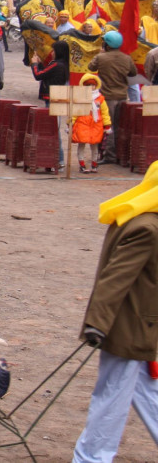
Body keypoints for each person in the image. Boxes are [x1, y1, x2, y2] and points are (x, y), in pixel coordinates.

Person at [72, 169, 158, 461]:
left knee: (148, 392)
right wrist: (97, 324)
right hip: (127, 329)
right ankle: (91, 457)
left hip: (140, 326)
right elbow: (116, 278)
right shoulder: (148, 227)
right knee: (111, 399)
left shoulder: (133, 214)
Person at [89, 32, 137, 165]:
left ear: (107, 44)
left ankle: (110, 155)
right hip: (122, 96)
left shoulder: (101, 57)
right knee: (119, 127)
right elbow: (133, 72)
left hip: (107, 97)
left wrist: (100, 53)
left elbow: (90, 67)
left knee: (108, 127)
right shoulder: (126, 58)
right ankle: (120, 154)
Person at [71, 74, 111, 174]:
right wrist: (71, 122)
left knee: (94, 145)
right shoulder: (80, 98)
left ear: (96, 85)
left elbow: (105, 112)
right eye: (88, 85)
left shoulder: (100, 99)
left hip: (95, 125)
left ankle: (94, 164)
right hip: (83, 124)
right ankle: (82, 165)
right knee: (82, 144)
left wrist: (107, 125)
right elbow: (75, 111)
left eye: (92, 85)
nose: (91, 87)